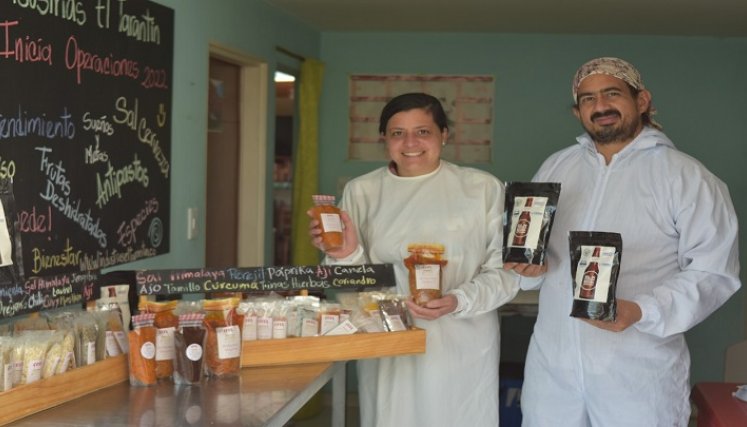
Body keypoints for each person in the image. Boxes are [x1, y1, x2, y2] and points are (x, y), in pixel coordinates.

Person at [505, 57, 741, 426]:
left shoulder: (685, 177)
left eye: (611, 94)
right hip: (553, 370)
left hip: (638, 374)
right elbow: (535, 257)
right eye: (587, 99)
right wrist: (528, 269)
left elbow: (713, 273)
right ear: (577, 110)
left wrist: (643, 310)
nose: (599, 107)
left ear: (642, 100)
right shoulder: (556, 167)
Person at [308, 92, 520, 427]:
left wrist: (458, 300)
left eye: (423, 131)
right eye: (397, 133)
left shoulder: (482, 189)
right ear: (384, 140)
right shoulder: (362, 192)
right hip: (389, 342)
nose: (410, 143)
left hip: (461, 343)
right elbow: (349, 281)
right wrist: (344, 254)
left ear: (444, 135)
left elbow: (507, 273)